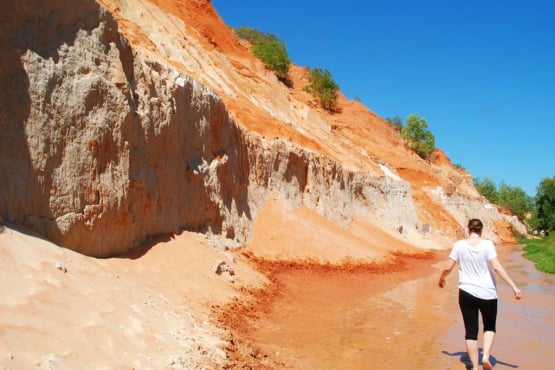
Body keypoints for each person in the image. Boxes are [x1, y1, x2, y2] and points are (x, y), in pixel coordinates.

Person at [438, 218, 522, 370]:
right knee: (489, 327)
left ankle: (475, 367)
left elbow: (448, 266)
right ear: (481, 230)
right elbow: (496, 267)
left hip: (466, 293)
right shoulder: (487, 245)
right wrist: (513, 286)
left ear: (468, 230)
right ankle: (485, 357)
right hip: (488, 293)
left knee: (471, 332)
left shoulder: (459, 245)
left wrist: (441, 278)